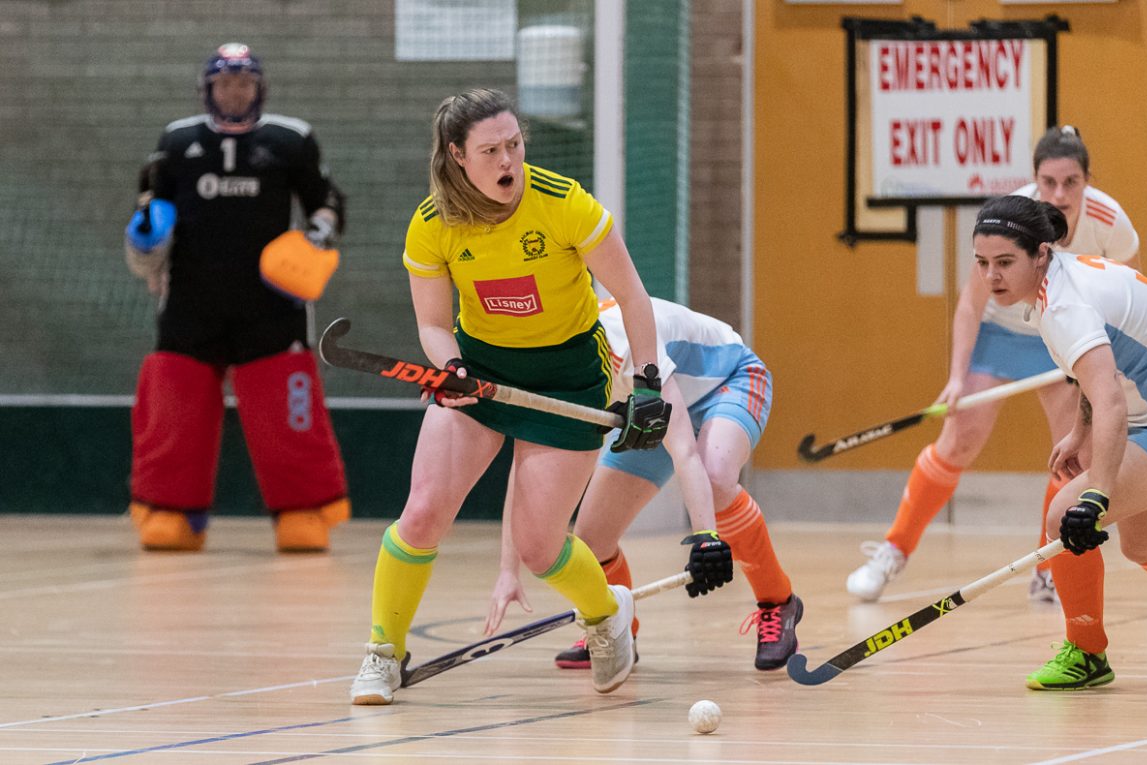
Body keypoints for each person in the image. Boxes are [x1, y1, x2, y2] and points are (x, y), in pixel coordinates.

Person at [348, 88, 676, 705]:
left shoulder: (564, 204)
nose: (509, 162)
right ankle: (383, 654)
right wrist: (451, 369)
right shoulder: (431, 224)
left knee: (537, 546)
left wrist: (650, 382)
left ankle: (607, 615)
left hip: (569, 375)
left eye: (515, 145)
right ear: (457, 157)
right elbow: (432, 323)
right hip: (480, 368)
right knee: (421, 513)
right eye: (491, 150)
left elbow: (632, 296)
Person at [955, 195, 1147, 690]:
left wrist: (1096, 495)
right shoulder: (1057, 282)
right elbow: (1098, 374)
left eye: (1005, 262)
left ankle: (1086, 652)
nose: (992, 276)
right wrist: (1080, 432)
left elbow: (1111, 402)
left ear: (1040, 253)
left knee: (1063, 514)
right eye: (982, 263)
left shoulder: (1064, 304)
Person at [847, 126, 1139, 605]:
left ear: (1088, 180)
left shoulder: (1110, 221)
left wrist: (1107, 363)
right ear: (1034, 179)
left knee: (1072, 456)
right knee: (958, 440)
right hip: (1001, 330)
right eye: (1049, 182)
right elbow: (969, 304)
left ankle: (1047, 566)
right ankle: (892, 551)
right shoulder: (1012, 218)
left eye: (1071, 182)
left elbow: (1130, 293)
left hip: (1062, 336)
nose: (1060, 194)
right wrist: (958, 377)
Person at [486, 297, 803, 672]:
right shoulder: (549, 371)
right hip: (645, 414)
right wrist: (508, 570)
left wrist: (707, 537)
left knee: (715, 477)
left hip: (727, 381)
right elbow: (523, 466)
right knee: (593, 536)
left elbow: (684, 451)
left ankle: (777, 602)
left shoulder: (625, 346)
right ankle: (618, 630)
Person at [123, 42, 349, 554]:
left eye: (244, 83)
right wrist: (143, 241)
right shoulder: (177, 142)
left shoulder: (292, 139)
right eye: (225, 84)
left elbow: (328, 204)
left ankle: (302, 510)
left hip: (271, 306)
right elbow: (149, 208)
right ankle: (170, 512)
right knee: (175, 411)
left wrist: (316, 235)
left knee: (286, 413)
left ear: (259, 88)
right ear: (209, 89)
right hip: (189, 302)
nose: (234, 92)